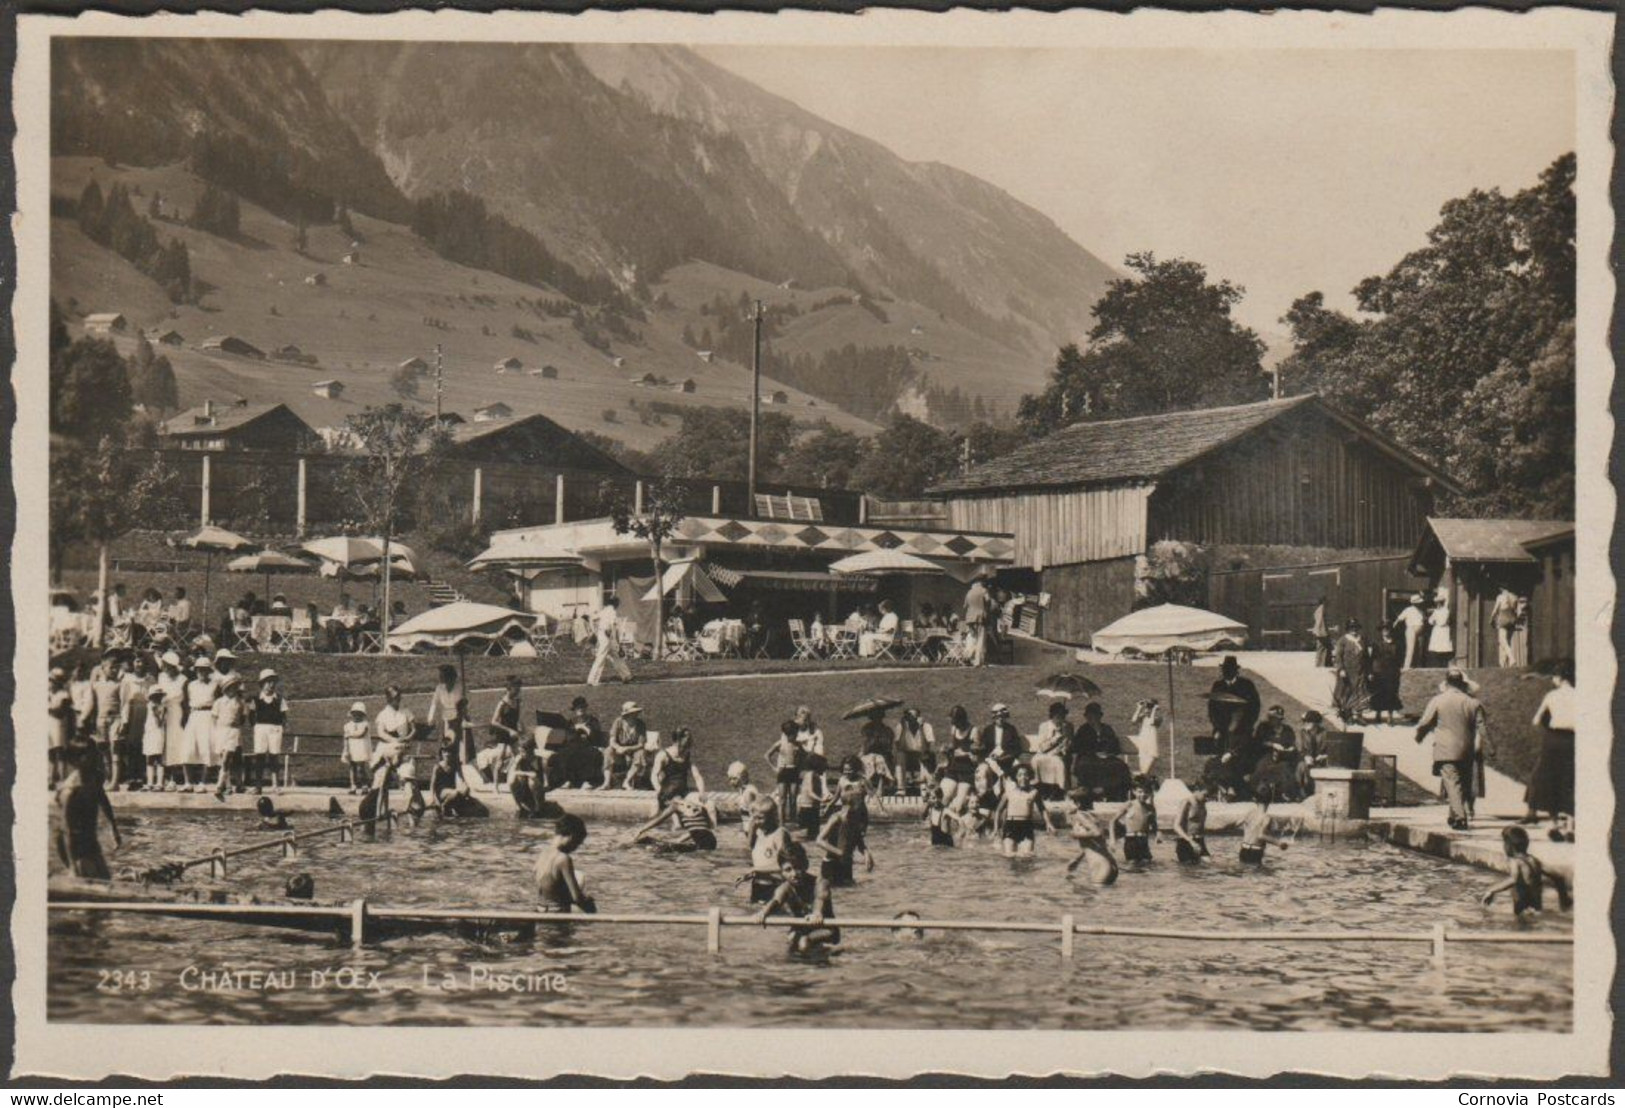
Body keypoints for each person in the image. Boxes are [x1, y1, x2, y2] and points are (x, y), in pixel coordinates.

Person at [1413, 666, 1492, 831]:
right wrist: (1490, 747)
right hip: (1467, 750)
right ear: (1462, 683)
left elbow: (1425, 722)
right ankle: (1453, 816)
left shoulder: (1438, 700)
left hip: (1445, 749)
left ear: (1447, 683)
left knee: (1452, 782)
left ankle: (1461, 817)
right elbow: (1482, 727)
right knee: (1462, 783)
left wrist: (1419, 736)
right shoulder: (1473, 703)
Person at [755, 841, 840, 955]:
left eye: (797, 867)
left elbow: (820, 898)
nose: (794, 873)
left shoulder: (820, 883)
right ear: (781, 872)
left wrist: (817, 913)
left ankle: (821, 962)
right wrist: (763, 913)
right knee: (791, 940)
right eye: (788, 870)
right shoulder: (785, 888)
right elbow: (776, 901)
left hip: (826, 929)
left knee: (804, 942)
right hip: (802, 928)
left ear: (806, 865)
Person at [1524, 660, 1575, 838]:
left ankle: (1554, 824)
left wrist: (1549, 722)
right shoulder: (1580, 695)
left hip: (1554, 739)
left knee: (1551, 779)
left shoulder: (1552, 696)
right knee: (1570, 780)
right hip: (1573, 739)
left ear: (1560, 678)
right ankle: (1570, 825)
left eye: (1554, 676)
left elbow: (1536, 720)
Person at [54, 744, 122, 879]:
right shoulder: (71, 790)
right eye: (90, 756)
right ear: (76, 761)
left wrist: (114, 829)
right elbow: (66, 830)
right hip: (74, 843)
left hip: (90, 839)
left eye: (95, 755)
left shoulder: (94, 777)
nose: (96, 758)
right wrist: (73, 867)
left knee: (105, 878)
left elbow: (104, 801)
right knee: (86, 876)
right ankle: (74, 869)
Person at [1481, 826, 1571, 916]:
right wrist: (1564, 900)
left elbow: (1513, 879)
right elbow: (1558, 876)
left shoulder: (1515, 862)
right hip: (1536, 908)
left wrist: (1492, 890)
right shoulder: (1534, 860)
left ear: (1508, 845)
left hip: (1522, 910)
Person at [534, 814, 596, 913]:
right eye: (577, 843)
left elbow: (549, 890)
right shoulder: (563, 859)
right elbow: (577, 898)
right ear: (571, 836)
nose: (575, 848)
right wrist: (590, 905)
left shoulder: (543, 854)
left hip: (539, 911)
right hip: (557, 918)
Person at [815, 783, 872, 887]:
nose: (862, 805)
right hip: (832, 864)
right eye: (860, 802)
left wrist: (866, 853)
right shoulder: (836, 818)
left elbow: (859, 841)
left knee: (848, 893)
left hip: (846, 864)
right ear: (850, 804)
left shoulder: (855, 819)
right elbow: (819, 840)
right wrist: (839, 853)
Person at [1207, 657, 1261, 755]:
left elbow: (1255, 707)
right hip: (1222, 729)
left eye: (1229, 669)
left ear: (1235, 671)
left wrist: (1247, 726)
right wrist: (1217, 727)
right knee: (1221, 757)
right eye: (1224, 669)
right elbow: (1212, 708)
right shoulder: (1218, 685)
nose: (1225, 672)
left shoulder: (1247, 685)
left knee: (1239, 758)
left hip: (1242, 730)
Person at [181, 655, 218, 792]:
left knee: (206, 748)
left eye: (205, 670)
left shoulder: (214, 685)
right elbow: (185, 704)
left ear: (209, 671)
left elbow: (218, 704)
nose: (202, 672)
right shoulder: (190, 685)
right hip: (194, 716)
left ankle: (202, 782)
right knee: (187, 748)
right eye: (199, 670)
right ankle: (188, 782)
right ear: (195, 671)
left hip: (208, 716)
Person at [634, 791, 719, 852]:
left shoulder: (675, 805)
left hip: (700, 839)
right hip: (711, 840)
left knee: (657, 850)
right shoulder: (698, 806)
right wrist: (679, 840)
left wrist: (641, 830)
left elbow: (659, 820)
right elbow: (701, 829)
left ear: (667, 801)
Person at [994, 764, 1048, 857]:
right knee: (1009, 856)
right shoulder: (1009, 792)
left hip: (1026, 826)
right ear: (1015, 777)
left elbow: (1042, 809)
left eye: (1026, 775)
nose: (1023, 777)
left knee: (1027, 857)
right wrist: (996, 828)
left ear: (1030, 776)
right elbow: (998, 810)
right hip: (1010, 826)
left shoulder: (1034, 792)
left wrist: (1049, 823)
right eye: (1020, 775)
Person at [1250, 705, 1300, 801]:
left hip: (1283, 756)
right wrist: (1272, 745)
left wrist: (1290, 748)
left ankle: (1286, 793)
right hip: (1267, 754)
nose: (1273, 721)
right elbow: (1258, 742)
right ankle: (1259, 793)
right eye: (1271, 718)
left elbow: (1292, 743)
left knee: (1285, 769)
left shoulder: (1287, 729)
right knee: (1262, 768)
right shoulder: (1263, 727)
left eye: (1276, 719)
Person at [250, 669, 288, 793]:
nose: (270, 685)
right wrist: (256, 727)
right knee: (259, 756)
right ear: (262, 684)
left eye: (273, 682)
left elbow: (284, 716)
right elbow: (251, 716)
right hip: (260, 728)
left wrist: (280, 727)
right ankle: (258, 785)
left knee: (274, 756)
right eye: (267, 682)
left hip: (275, 729)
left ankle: (275, 785)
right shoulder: (256, 699)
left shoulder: (280, 699)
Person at [1064, 799, 1119, 886]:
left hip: (1101, 867)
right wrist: (1077, 859)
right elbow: (1092, 844)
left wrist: (1074, 834)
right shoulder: (1091, 816)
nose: (1066, 805)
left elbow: (1096, 833)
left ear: (1077, 804)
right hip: (1110, 865)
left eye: (1069, 802)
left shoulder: (1079, 815)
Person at [211, 672, 247, 799]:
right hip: (221, 732)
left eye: (234, 687)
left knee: (227, 758)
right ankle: (229, 786)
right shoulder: (218, 702)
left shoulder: (239, 702)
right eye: (230, 687)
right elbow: (214, 718)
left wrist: (235, 725)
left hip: (233, 731)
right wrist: (218, 731)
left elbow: (243, 718)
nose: (232, 689)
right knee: (224, 759)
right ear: (225, 689)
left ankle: (219, 786)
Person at [597, 701, 648, 790]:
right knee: (608, 751)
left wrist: (627, 748)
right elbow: (612, 740)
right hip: (619, 749)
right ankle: (607, 782)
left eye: (636, 713)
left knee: (641, 753)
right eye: (632, 713)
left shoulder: (640, 724)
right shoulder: (618, 722)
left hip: (633, 749)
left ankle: (627, 781)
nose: (635, 715)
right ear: (627, 714)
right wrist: (618, 748)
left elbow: (641, 744)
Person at [156, 651, 188, 791]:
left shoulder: (183, 679)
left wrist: (185, 719)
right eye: (165, 665)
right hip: (164, 714)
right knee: (164, 745)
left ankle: (176, 778)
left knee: (177, 745)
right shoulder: (161, 677)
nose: (167, 668)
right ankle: (166, 779)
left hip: (178, 714)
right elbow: (158, 696)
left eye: (170, 666)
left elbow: (186, 702)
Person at [559, 696, 605, 788]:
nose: (581, 710)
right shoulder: (571, 722)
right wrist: (575, 730)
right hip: (574, 745)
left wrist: (587, 730)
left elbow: (597, 737)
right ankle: (569, 780)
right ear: (575, 710)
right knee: (566, 753)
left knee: (588, 753)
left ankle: (586, 781)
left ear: (586, 708)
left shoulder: (592, 720)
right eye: (578, 708)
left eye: (582, 707)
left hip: (590, 745)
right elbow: (567, 737)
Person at [651, 727, 705, 805]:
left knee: (710, 806)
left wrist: (702, 792)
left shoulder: (687, 755)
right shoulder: (663, 755)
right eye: (687, 738)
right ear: (678, 740)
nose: (690, 741)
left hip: (683, 791)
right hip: (669, 793)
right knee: (686, 807)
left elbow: (697, 776)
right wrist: (660, 791)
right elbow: (654, 776)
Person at [1239, 784, 1291, 865]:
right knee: (1259, 874)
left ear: (1255, 799)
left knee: (1245, 873)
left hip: (1244, 849)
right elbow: (1261, 835)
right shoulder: (1266, 817)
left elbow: (1244, 827)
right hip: (1255, 851)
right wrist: (1279, 843)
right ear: (1270, 800)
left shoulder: (1250, 813)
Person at [1030, 702, 1072, 801]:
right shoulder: (1044, 726)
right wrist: (1055, 739)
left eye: (1062, 715)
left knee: (1059, 763)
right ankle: (1040, 789)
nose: (1060, 718)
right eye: (1057, 715)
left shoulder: (1068, 726)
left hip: (1058, 755)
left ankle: (1060, 791)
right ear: (1052, 716)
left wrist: (1065, 746)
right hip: (1044, 754)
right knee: (1036, 760)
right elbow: (1042, 747)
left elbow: (1069, 744)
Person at [586, 597, 632, 686]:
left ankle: (626, 675)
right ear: (615, 604)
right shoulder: (613, 612)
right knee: (601, 658)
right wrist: (618, 642)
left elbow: (591, 618)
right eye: (617, 604)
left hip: (603, 635)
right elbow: (613, 628)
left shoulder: (604, 611)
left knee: (616, 655)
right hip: (607, 636)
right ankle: (592, 680)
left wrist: (594, 631)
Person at [1112, 777, 1158, 863]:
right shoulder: (1129, 805)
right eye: (1140, 792)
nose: (1143, 794)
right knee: (1132, 864)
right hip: (1131, 840)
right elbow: (1112, 821)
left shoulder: (1150, 808)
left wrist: (1157, 834)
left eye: (1146, 792)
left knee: (1147, 863)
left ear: (1150, 793)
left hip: (1144, 840)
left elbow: (1153, 823)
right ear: (1134, 792)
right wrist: (1112, 839)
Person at [1332, 620, 1370, 723]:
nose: (1354, 630)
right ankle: (1347, 716)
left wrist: (1368, 670)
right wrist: (1341, 669)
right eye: (1351, 628)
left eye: (1355, 628)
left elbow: (1366, 656)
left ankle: (1359, 715)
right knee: (1347, 693)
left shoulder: (1362, 640)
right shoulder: (1343, 640)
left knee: (1360, 692)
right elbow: (1338, 657)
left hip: (1360, 671)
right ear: (1348, 629)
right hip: (1347, 672)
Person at [895, 708, 936, 794]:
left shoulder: (926, 727)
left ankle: (926, 787)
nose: (912, 719)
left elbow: (929, 745)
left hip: (921, 754)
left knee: (925, 755)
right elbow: (899, 746)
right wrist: (904, 728)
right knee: (900, 755)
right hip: (906, 755)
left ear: (919, 717)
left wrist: (920, 728)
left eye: (914, 716)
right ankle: (901, 788)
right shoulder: (900, 727)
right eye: (909, 716)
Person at [1368, 625, 1404, 724]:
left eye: (1387, 630)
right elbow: (1372, 658)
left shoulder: (1397, 644)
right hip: (1379, 672)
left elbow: (1400, 658)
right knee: (1379, 692)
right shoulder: (1376, 644)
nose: (1385, 632)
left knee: (1391, 693)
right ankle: (1378, 714)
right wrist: (1371, 672)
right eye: (1384, 630)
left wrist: (1399, 669)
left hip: (1392, 672)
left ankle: (1390, 716)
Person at [47, 667, 74, 787]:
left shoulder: (64, 694)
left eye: (53, 681)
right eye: (50, 680)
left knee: (60, 752)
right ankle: (51, 779)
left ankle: (63, 780)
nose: (50, 683)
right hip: (47, 724)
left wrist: (48, 708)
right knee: (50, 752)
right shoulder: (47, 693)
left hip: (59, 725)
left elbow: (61, 711)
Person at [1173, 782, 1212, 863]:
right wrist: (1191, 841)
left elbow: (1200, 825)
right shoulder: (1186, 802)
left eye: (1209, 796)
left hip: (1199, 840)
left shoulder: (1202, 804)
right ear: (1197, 790)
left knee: (1208, 864)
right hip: (1185, 841)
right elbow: (1176, 826)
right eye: (1205, 795)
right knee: (1188, 870)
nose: (1207, 799)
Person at [858, 708, 897, 787]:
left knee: (880, 759)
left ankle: (880, 785)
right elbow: (865, 746)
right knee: (870, 759)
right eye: (874, 717)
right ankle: (868, 782)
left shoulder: (887, 730)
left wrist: (880, 742)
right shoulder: (866, 729)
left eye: (878, 717)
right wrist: (873, 740)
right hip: (868, 754)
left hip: (884, 754)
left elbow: (889, 747)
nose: (876, 720)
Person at [140, 685, 168, 791]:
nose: (156, 698)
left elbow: (159, 723)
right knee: (149, 758)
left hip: (158, 733)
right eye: (154, 696)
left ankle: (160, 783)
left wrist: (157, 713)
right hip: (149, 733)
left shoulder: (162, 707)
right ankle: (150, 782)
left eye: (158, 696)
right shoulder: (150, 705)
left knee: (159, 757)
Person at [1296, 710, 1330, 798]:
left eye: (1308, 722)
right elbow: (1300, 749)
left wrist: (1323, 756)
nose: (1305, 724)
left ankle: (1313, 792)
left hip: (1321, 761)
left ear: (1316, 723)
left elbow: (1331, 750)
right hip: (1307, 760)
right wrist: (1306, 756)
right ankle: (1301, 793)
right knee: (1301, 766)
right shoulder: (1303, 733)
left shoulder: (1325, 733)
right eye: (1305, 721)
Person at [510, 739, 547, 817]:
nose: (521, 754)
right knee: (512, 779)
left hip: (537, 789)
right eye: (520, 752)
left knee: (532, 781)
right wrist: (527, 773)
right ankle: (519, 806)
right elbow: (512, 772)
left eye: (523, 751)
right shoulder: (519, 759)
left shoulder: (540, 760)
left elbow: (545, 779)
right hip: (524, 788)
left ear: (531, 750)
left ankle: (538, 808)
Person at [341, 701, 372, 794]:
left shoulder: (365, 724)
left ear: (363, 715)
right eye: (355, 714)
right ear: (352, 714)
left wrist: (349, 735)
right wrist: (346, 750)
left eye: (359, 714)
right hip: (352, 749)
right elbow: (345, 739)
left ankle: (364, 785)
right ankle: (353, 785)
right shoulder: (347, 726)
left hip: (361, 749)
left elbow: (361, 734)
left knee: (360, 768)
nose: (357, 716)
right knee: (352, 768)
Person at [1128, 698, 1162, 776]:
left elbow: (1152, 722)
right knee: (1144, 772)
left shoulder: (1158, 718)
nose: (1147, 709)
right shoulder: (1143, 717)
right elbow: (1134, 721)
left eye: (1150, 707)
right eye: (1147, 706)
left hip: (1152, 747)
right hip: (1143, 746)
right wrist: (1139, 708)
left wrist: (1154, 710)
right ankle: (1145, 785)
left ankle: (1143, 783)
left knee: (1145, 772)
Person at [963, 573, 991, 667]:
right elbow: (988, 601)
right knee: (980, 639)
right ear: (982, 581)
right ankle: (978, 661)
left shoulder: (969, 592)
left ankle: (967, 657)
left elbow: (965, 606)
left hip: (969, 617)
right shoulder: (984, 591)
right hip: (980, 617)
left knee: (972, 638)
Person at [1491, 586, 1521, 668]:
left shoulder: (1500, 597)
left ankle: (1512, 659)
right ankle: (1504, 664)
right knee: (1508, 641)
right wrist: (1515, 619)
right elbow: (1519, 612)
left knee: (1503, 641)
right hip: (1511, 619)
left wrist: (1491, 620)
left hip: (1503, 619)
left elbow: (1495, 611)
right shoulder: (1514, 597)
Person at [1395, 594, 1426, 669]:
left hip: (1420, 631)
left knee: (1419, 649)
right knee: (1410, 648)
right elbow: (1399, 619)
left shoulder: (1421, 611)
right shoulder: (1408, 610)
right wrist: (1394, 624)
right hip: (1411, 629)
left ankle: (1417, 664)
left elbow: (1424, 620)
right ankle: (1407, 665)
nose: (1419, 604)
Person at [1427, 588, 1455, 667]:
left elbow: (1431, 621)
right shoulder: (1446, 611)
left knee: (1440, 645)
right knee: (1442, 645)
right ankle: (1442, 662)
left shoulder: (1438, 612)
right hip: (1443, 629)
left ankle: (1440, 662)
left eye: (1438, 603)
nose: (1437, 604)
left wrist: (1434, 620)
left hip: (1439, 629)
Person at [1309, 596, 1332, 668]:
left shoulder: (1319, 609)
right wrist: (1322, 632)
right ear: (1324, 601)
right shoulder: (1321, 609)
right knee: (1322, 647)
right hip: (1321, 632)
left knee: (1323, 648)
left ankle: (1322, 663)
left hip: (1320, 631)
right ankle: (1321, 664)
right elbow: (1320, 621)